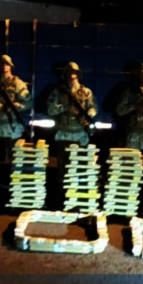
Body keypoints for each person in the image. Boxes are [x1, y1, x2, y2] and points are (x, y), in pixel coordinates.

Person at [47, 62, 99, 201]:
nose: (72, 75)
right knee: (62, 167)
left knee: (80, 165)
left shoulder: (86, 92)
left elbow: (94, 108)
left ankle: (76, 195)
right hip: (64, 133)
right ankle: (61, 194)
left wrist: (86, 114)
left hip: (80, 133)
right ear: (65, 75)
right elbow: (50, 109)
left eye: (75, 72)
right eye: (69, 72)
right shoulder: (58, 92)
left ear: (79, 75)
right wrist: (64, 107)